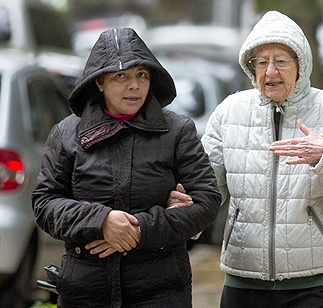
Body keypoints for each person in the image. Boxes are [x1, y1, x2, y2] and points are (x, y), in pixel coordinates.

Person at [201, 11, 323, 308]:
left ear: (301, 65)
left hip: (318, 281)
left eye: (281, 61)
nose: (270, 72)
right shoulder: (229, 113)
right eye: (262, 62)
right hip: (244, 278)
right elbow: (205, 191)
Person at [32, 27, 222, 308]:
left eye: (141, 75)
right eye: (121, 76)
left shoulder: (177, 131)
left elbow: (207, 202)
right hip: (85, 292)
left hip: (160, 291)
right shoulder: (66, 134)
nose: (134, 86)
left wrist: (140, 230)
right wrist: (102, 222)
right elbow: (45, 204)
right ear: (99, 82)